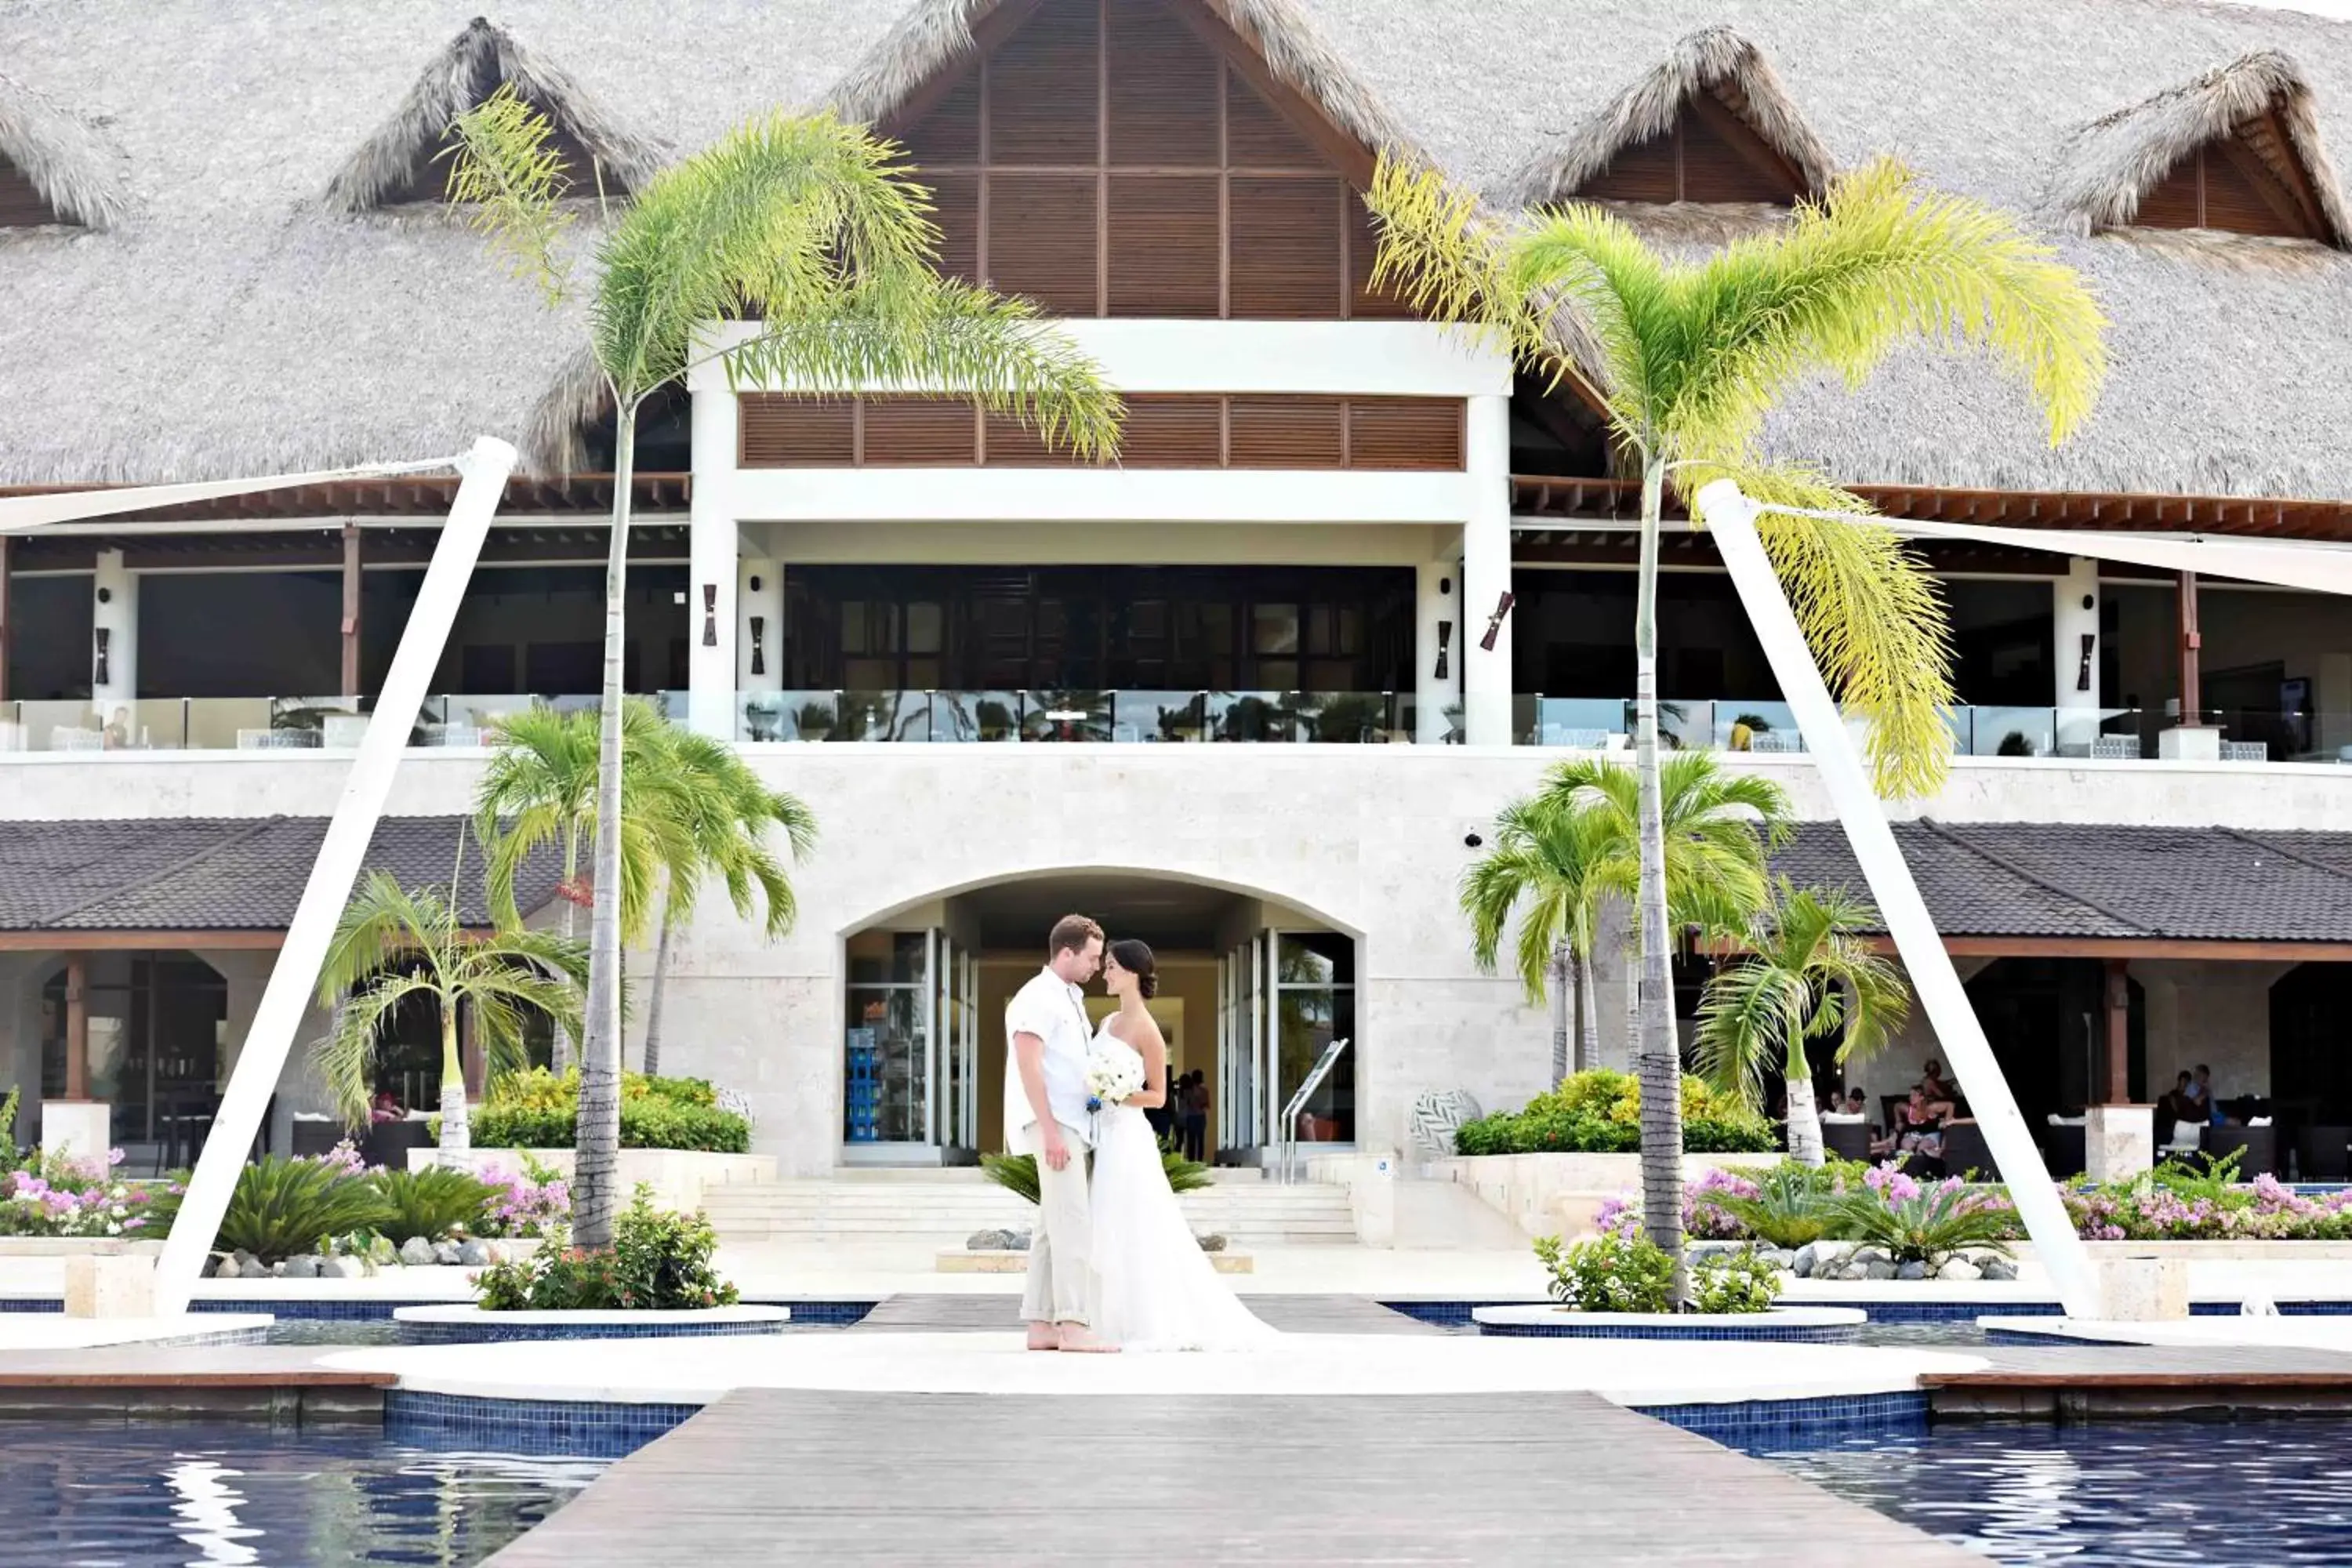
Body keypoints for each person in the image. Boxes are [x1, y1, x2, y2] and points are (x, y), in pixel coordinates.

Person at [1087, 938, 1275, 1352]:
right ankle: (1107, 1318)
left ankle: (1145, 1320)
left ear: (1133, 972)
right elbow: (1095, 1084)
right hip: (1105, 1136)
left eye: (1113, 966)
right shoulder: (1106, 1025)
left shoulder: (1149, 1031)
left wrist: (1116, 1093)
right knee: (1108, 1222)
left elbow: (1158, 1097)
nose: (1106, 972)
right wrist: (1095, 1096)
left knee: (1136, 1224)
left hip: (1130, 1139)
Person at [1004, 914, 1112, 1354]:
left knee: (1052, 1225)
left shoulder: (1070, 998)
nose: (1096, 966)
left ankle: (1041, 1324)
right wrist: (1049, 1130)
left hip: (1072, 1123)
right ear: (1066, 953)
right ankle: (1073, 1324)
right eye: (1091, 957)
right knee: (1073, 1224)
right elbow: (1028, 1064)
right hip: (1056, 1125)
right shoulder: (1037, 998)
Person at [1182, 1070, 1210, 1164]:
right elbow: (1207, 1105)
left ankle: (1192, 1161)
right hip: (1200, 1117)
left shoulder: (1188, 1091)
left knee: (1192, 1140)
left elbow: (1186, 1104)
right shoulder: (1204, 1090)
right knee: (1200, 1140)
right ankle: (1199, 1161)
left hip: (1191, 1117)